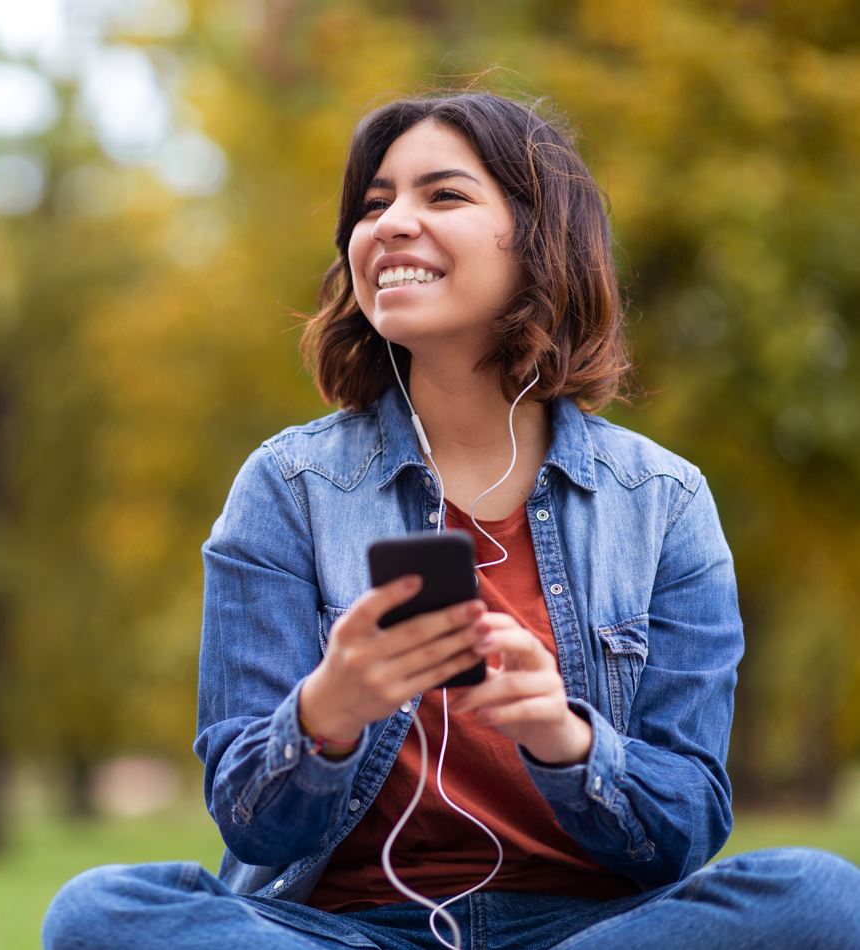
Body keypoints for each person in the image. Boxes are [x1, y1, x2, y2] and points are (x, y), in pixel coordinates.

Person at [42, 91, 860, 949]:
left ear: (538, 238)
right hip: (343, 932)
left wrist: (564, 738)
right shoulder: (287, 486)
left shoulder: (662, 500)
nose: (391, 224)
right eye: (372, 204)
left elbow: (684, 829)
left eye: (442, 195)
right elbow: (252, 826)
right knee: (97, 916)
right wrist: (327, 711)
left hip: (584, 930)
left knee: (816, 897)